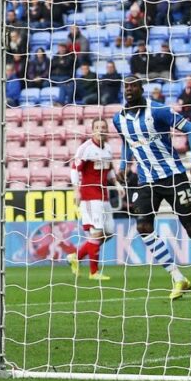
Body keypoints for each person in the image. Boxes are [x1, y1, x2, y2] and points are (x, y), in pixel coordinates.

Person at [112, 76, 191, 301]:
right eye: (126, 86)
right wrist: (124, 165)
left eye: (133, 86)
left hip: (173, 176)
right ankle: (177, 277)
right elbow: (127, 143)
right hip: (146, 180)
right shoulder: (119, 119)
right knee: (143, 227)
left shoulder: (158, 110)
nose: (129, 90)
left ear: (142, 89)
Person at [67, 119, 123, 281]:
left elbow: (109, 170)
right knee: (96, 232)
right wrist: (76, 190)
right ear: (92, 130)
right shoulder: (85, 149)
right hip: (90, 196)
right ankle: (94, 272)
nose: (101, 130)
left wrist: (117, 184)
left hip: (104, 195)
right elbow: (74, 169)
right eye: (97, 127)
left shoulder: (108, 148)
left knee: (109, 232)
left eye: (104, 127)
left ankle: (75, 256)